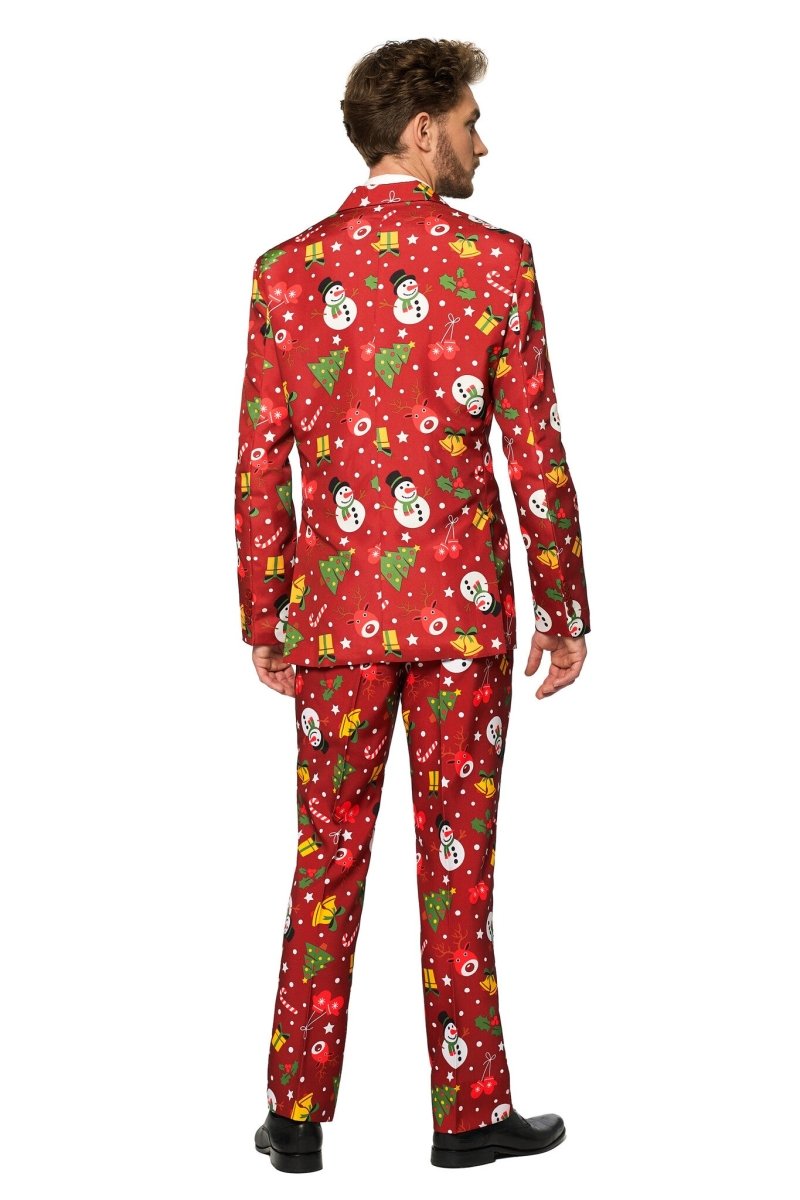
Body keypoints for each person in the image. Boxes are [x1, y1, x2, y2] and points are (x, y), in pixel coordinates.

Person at [233, 37, 591, 1172]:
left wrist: (264, 617)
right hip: (463, 621)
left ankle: (295, 1119)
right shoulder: (497, 263)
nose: (484, 143)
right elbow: (535, 454)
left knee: (326, 857)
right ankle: (470, 1115)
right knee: (456, 865)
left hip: (334, 625)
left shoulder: (286, 272)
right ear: (421, 129)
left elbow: (260, 462)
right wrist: (564, 606)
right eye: (470, 122)